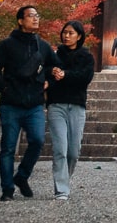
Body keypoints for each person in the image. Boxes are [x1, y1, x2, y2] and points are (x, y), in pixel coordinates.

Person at [0, 5, 57, 201]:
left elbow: (55, 66)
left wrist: (48, 81)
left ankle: (22, 176)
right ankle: (7, 189)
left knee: (37, 141)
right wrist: (4, 88)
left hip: (34, 103)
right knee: (8, 147)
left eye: (37, 15)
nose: (35, 19)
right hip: (11, 103)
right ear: (20, 20)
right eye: (31, 16)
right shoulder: (6, 45)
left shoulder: (42, 46)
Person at [46, 20, 95, 201]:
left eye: (71, 33)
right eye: (64, 32)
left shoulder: (86, 57)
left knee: (73, 151)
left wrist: (65, 75)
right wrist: (52, 73)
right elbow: (45, 71)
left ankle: (65, 180)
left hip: (77, 105)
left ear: (79, 36)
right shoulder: (54, 56)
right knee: (60, 148)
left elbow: (85, 77)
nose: (66, 36)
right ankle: (61, 190)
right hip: (56, 105)